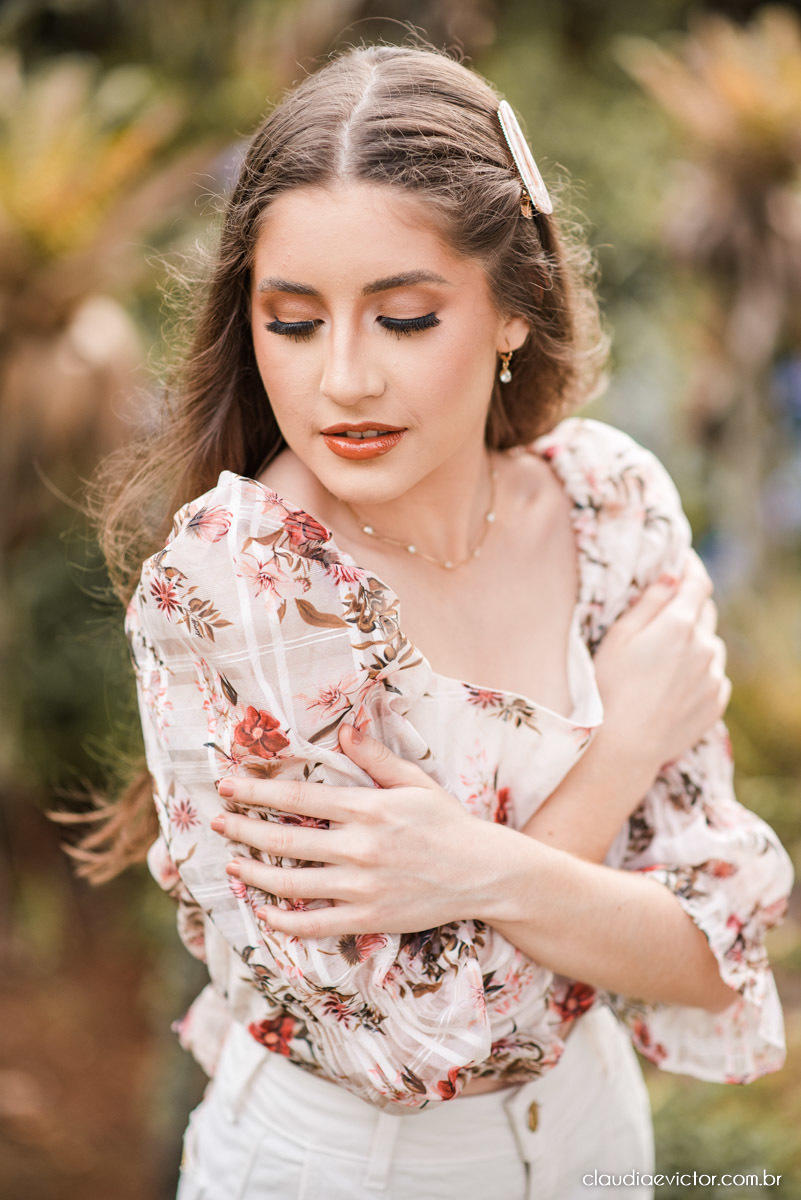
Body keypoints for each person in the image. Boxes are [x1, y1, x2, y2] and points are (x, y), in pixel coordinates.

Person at [67, 37, 793, 1200]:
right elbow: (406, 1042)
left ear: (513, 310)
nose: (344, 379)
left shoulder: (610, 503)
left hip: (596, 1144)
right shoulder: (248, 581)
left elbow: (712, 950)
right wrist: (615, 764)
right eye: (294, 323)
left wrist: (466, 873)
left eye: (404, 318)